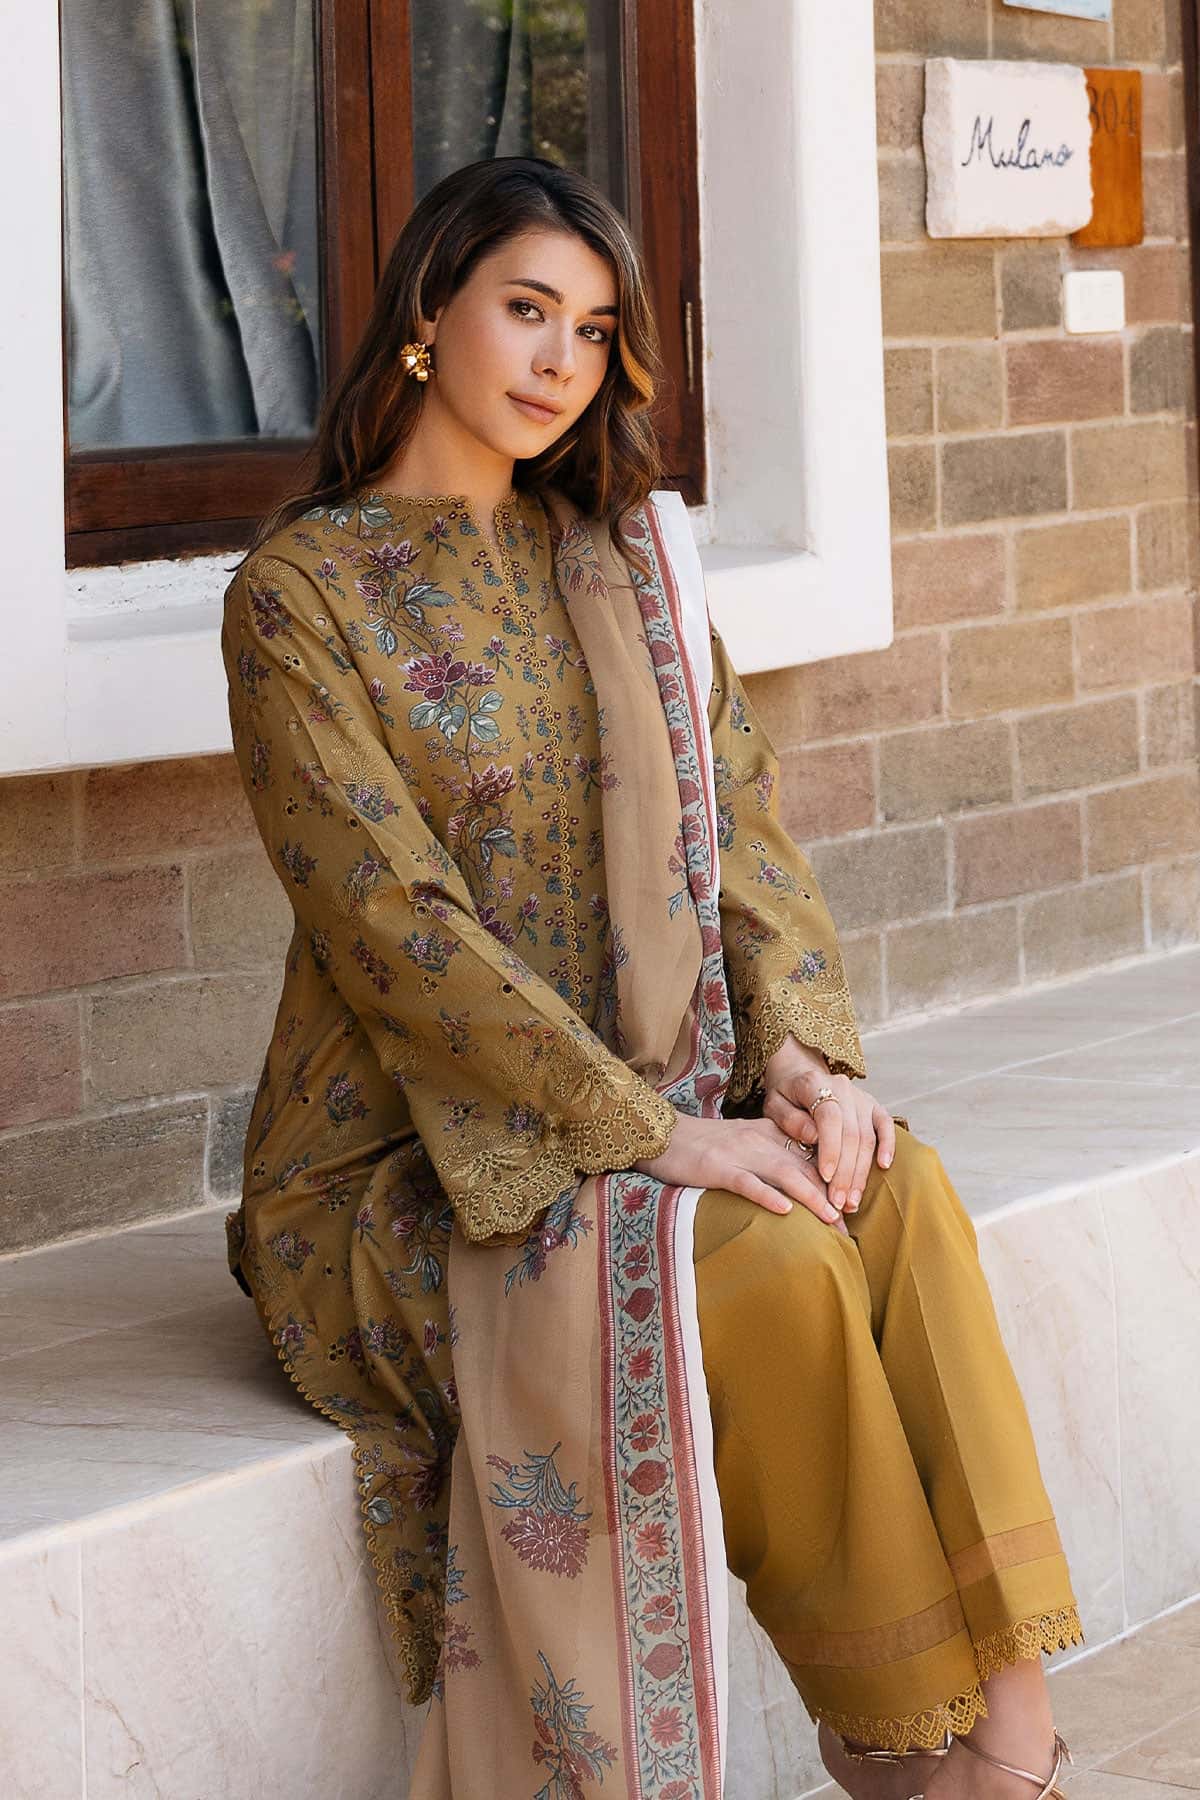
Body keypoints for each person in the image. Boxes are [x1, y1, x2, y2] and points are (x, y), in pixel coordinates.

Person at [221, 155, 1082, 1798]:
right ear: (430, 312)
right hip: (412, 1159)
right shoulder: (302, 596)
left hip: (665, 1084)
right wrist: (655, 1133)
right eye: (526, 309)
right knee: (768, 1266)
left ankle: (1013, 1738)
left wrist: (806, 1060)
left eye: (596, 329)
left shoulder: (617, 562)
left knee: (897, 1193)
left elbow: (737, 819)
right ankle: (908, 1746)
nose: (561, 360)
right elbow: (396, 925)